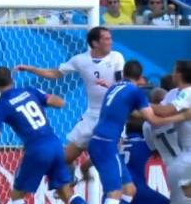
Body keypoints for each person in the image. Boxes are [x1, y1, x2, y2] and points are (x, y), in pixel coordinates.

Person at [0, 67, 105, 204]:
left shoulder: (1, 105)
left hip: (37, 149)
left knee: (17, 196)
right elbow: (60, 102)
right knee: (66, 191)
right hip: (56, 145)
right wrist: (42, 102)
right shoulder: (29, 91)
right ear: (12, 80)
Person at [87, 60, 187, 204]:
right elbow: (156, 118)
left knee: (127, 190)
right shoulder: (138, 96)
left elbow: (139, 114)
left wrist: (84, 167)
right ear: (140, 78)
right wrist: (182, 116)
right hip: (182, 159)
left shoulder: (115, 90)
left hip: (103, 142)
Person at [15, 27, 124, 166]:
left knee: (114, 155)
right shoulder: (80, 60)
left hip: (114, 114)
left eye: (110, 38)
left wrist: (108, 85)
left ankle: (88, 168)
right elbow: (54, 74)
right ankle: (69, 178)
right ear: (95, 43)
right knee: (65, 159)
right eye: (107, 39)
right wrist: (31, 69)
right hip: (93, 115)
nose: (111, 42)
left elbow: (121, 85)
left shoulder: (117, 57)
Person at [150, 61, 191, 204]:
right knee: (182, 201)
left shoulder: (188, 93)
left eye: (174, 71)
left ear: (180, 74)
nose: (172, 74)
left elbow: (165, 111)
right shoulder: (177, 93)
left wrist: (138, 102)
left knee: (181, 201)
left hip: (188, 155)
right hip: (185, 153)